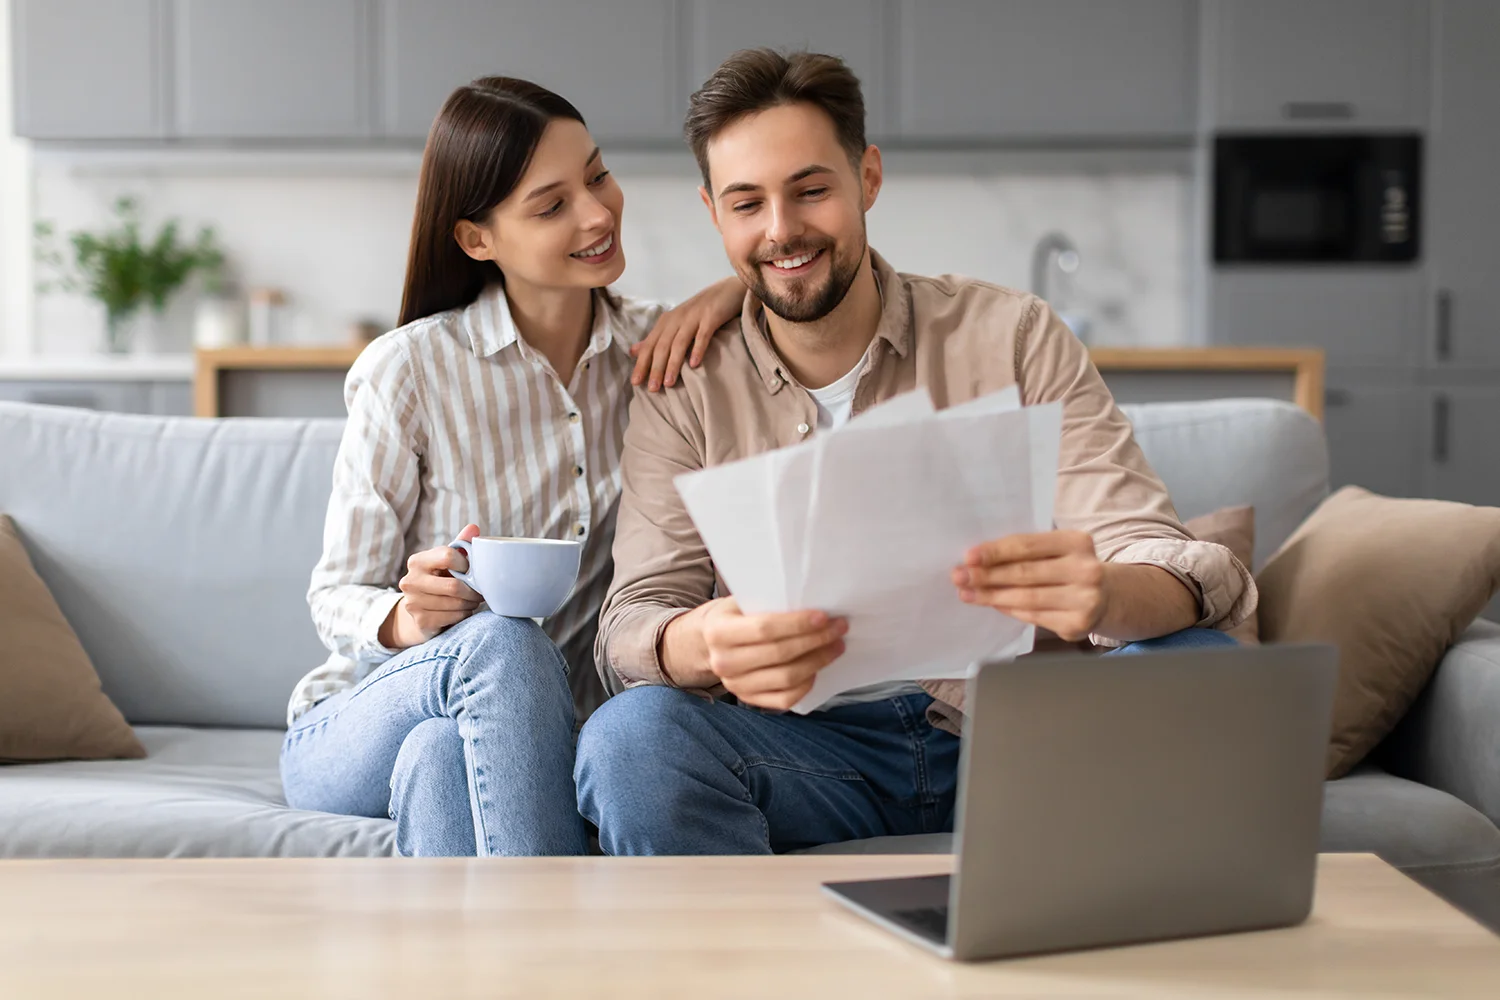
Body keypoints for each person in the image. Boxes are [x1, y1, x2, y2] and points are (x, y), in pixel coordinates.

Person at [575, 50, 1257, 856]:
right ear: (713, 213)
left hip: (1020, 735)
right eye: (746, 203)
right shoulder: (684, 383)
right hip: (803, 752)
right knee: (632, 739)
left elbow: (1153, 548)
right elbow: (632, 622)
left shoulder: (1011, 335)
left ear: (867, 178)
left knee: (1199, 669)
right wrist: (702, 644)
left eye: (811, 190)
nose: (782, 229)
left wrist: (1104, 592)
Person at [279, 77, 745, 857]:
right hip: (363, 718)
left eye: (597, 176)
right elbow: (334, 594)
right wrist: (405, 616)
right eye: (551, 204)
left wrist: (739, 289)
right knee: (503, 640)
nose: (597, 213)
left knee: (438, 758)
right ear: (476, 239)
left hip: (521, 735)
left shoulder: (664, 354)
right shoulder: (411, 370)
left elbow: (817, 276)